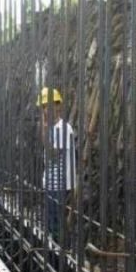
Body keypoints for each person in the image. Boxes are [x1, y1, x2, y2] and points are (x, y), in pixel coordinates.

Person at [38, 87, 76, 242]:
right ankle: (56, 248)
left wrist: (44, 133)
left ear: (58, 106)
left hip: (60, 184)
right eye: (44, 107)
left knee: (56, 223)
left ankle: (62, 252)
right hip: (50, 182)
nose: (47, 110)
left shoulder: (64, 128)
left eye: (50, 105)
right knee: (51, 222)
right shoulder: (52, 128)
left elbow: (54, 155)